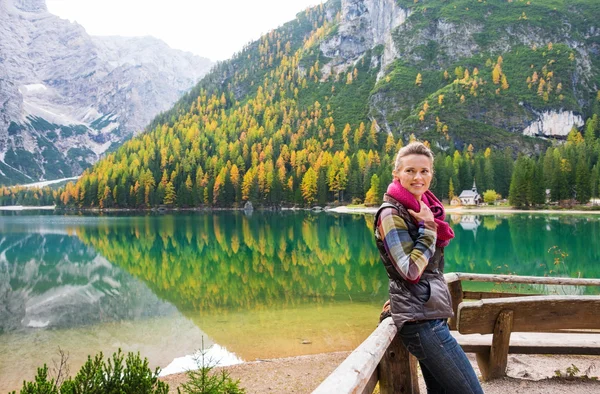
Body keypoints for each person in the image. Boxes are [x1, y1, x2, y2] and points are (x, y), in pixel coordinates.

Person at [374, 142, 483, 394]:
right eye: (410, 170)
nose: (418, 177)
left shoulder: (420, 209)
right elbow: (410, 272)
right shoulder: (391, 213)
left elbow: (425, 271)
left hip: (430, 316)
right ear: (397, 174)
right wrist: (428, 228)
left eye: (424, 171)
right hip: (421, 323)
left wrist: (428, 223)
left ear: (432, 174)